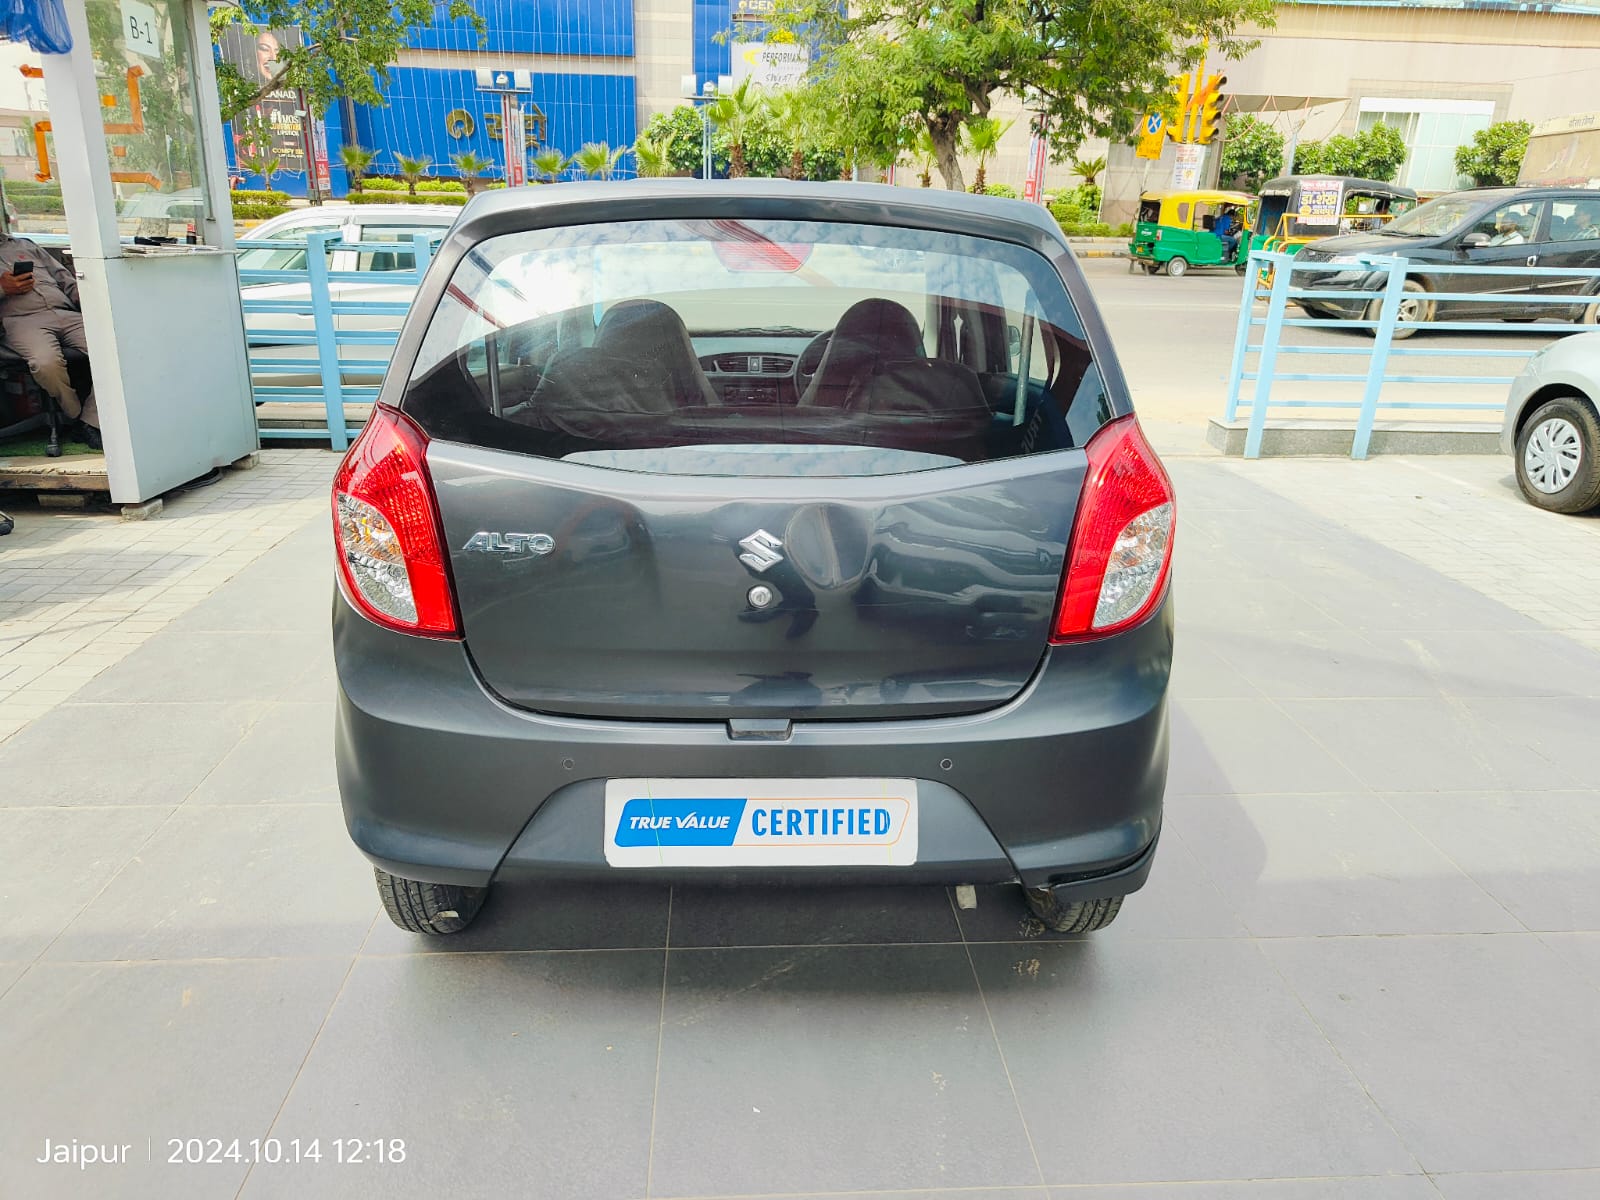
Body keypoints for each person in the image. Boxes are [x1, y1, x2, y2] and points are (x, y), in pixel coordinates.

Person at [0, 233, 99, 450]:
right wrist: (2, 288)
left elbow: (65, 279)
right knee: (46, 362)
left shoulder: (25, 245)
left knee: (116, 350)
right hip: (21, 321)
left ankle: (90, 421)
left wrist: (87, 297)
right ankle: (73, 415)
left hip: (67, 313)